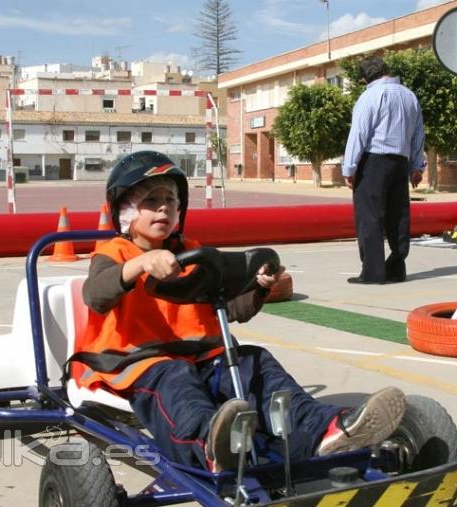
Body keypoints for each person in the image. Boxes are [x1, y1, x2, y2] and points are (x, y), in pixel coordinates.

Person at [77, 151, 407, 473]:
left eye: (171, 199)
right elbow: (96, 295)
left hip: (201, 358)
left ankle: (324, 430)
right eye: (151, 200)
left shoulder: (192, 252)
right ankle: (208, 446)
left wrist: (259, 286)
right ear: (125, 210)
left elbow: (229, 308)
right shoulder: (113, 253)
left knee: (253, 360)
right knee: (175, 379)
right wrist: (139, 264)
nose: (164, 206)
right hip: (135, 364)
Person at [342, 54, 426, 285]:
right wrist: (416, 166)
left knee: (369, 217)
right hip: (399, 162)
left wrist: (349, 168)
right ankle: (397, 267)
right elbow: (418, 134)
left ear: (364, 78)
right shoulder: (410, 96)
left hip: (373, 162)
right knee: (398, 216)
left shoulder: (370, 96)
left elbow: (358, 134)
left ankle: (373, 272)